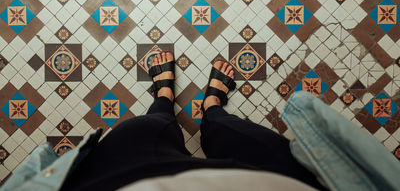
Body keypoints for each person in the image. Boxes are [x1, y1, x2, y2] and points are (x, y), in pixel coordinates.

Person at [59, 51, 324, 190]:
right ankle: (212, 108)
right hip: (275, 183)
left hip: (124, 180)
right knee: (232, 134)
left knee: (143, 131)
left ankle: (164, 98)